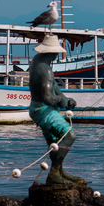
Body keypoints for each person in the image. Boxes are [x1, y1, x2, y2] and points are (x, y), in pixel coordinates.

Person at [28, 35, 84, 186]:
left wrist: (65, 99)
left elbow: (54, 87)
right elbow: (48, 98)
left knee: (56, 141)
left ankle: (59, 171)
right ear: (52, 53)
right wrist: (61, 101)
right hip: (43, 109)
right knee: (69, 135)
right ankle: (54, 172)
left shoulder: (37, 60)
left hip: (37, 107)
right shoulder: (45, 70)